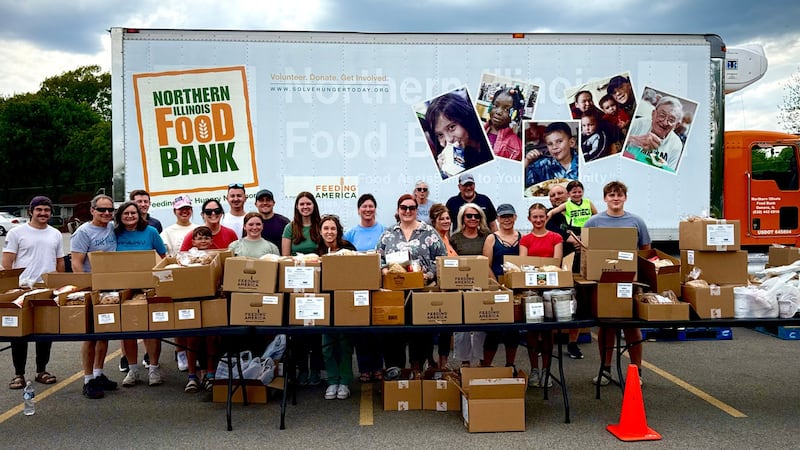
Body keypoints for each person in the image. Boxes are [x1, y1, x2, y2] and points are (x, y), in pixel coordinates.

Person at [584, 180, 651, 386]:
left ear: (625, 198)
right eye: (611, 195)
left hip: (629, 282)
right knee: (607, 327)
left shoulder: (636, 221)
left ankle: (636, 371)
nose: (615, 198)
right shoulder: (593, 222)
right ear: (605, 198)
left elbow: (646, 250)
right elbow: (586, 253)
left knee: (631, 327)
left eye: (619, 195)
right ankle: (605, 370)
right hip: (603, 283)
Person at [377, 194, 446, 370]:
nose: (407, 211)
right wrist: (384, 270)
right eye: (403, 207)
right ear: (398, 210)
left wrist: (429, 274)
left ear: (416, 210)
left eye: (411, 208)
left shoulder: (429, 232)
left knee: (420, 336)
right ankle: (395, 371)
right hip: (395, 294)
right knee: (393, 336)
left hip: (420, 292)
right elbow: (379, 259)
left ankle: (417, 371)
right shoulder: (388, 234)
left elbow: (442, 259)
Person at [4, 196, 64, 391]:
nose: (43, 214)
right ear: (31, 211)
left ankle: (41, 370)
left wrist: (58, 284)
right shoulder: (16, 233)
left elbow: (59, 262)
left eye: (47, 210)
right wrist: (11, 287)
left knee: (45, 332)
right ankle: (18, 374)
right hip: (22, 289)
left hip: (45, 289)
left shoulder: (55, 234)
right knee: (19, 333)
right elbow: (7, 261)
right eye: (39, 210)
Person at [70, 194, 119, 399]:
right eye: (102, 210)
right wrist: (85, 288)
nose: (106, 213)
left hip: (110, 288)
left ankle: (99, 373)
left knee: (104, 332)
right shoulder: (83, 232)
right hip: (92, 289)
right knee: (90, 335)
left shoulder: (111, 227)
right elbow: (76, 263)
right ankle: (88, 379)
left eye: (110, 210)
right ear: (92, 211)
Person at [115, 201, 167, 388]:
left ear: (140, 215)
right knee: (128, 330)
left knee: (152, 328)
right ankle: (133, 370)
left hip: (148, 286)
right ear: (120, 216)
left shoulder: (151, 232)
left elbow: (163, 256)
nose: (130, 216)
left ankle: (153, 368)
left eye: (133, 213)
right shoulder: (115, 234)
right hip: (123, 287)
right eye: (126, 213)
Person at [343, 194, 386, 382]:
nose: (368, 210)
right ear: (358, 209)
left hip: (379, 286)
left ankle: (378, 368)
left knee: (378, 328)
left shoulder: (385, 231)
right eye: (364, 206)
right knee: (361, 330)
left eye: (371, 206)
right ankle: (364, 369)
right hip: (357, 287)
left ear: (375, 209)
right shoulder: (351, 233)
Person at [519, 203, 563, 388]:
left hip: (550, 290)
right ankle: (534, 369)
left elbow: (556, 263)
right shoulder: (525, 240)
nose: (538, 220)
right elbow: (523, 264)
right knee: (532, 331)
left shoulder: (556, 237)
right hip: (532, 291)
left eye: (541, 216)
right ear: (529, 218)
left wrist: (540, 271)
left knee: (547, 332)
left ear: (546, 217)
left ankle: (546, 369)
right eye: (534, 217)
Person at [545, 182, 591, 359]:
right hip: (559, 263)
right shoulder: (551, 216)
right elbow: (554, 232)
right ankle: (548, 342)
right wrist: (572, 239)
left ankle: (573, 343)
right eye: (552, 195)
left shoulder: (583, 210)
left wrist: (584, 243)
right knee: (552, 302)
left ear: (568, 195)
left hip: (581, 262)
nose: (556, 197)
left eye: (559, 194)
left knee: (577, 302)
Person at [282, 192, 323, 386]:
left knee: (316, 330)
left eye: (308, 203)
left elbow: (325, 254)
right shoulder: (290, 228)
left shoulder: (320, 225)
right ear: (297, 207)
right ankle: (302, 370)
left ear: (313, 205)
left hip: (318, 284)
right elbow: (285, 257)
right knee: (298, 331)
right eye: (301, 204)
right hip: (296, 283)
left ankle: (315, 370)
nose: (305, 207)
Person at [317, 215, 357, 400]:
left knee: (344, 343)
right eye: (326, 228)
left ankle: (345, 382)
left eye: (332, 228)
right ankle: (332, 381)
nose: (329, 232)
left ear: (338, 230)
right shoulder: (315, 251)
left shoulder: (348, 249)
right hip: (323, 303)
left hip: (344, 303)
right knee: (327, 346)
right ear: (320, 231)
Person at [481, 203, 521, 368]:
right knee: (493, 331)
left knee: (513, 331)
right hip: (497, 289)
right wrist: (498, 285)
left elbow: (525, 263)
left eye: (509, 216)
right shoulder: (492, 238)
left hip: (517, 289)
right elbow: (486, 265)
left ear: (515, 217)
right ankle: (486, 367)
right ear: (498, 219)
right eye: (503, 217)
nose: (507, 220)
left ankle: (510, 365)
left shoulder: (522, 237)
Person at [450, 203, 491, 367]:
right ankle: (465, 363)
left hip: (482, 285)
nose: (473, 219)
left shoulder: (487, 236)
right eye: (469, 216)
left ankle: (482, 362)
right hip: (461, 286)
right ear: (462, 218)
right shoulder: (455, 238)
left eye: (477, 216)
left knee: (482, 325)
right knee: (462, 327)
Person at [425, 91, 493, 176]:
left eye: (452, 127)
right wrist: (449, 173)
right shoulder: (459, 156)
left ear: (465, 120)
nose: (449, 140)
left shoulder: (488, 137)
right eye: (440, 135)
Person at [183, 226, 218, 393]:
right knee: (192, 340)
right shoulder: (185, 258)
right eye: (199, 238)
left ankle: (210, 375)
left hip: (211, 302)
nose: (203, 241)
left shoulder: (217, 256)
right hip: (191, 303)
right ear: (193, 241)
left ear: (211, 240)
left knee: (211, 339)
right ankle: (192, 376)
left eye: (206, 238)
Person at [623, 96, 685, 172]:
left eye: (671, 120)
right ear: (653, 114)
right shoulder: (637, 124)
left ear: (676, 125)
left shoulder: (676, 144)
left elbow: (669, 171)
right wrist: (632, 139)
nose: (665, 123)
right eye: (662, 116)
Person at [429, 203, 456, 368]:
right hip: (436, 289)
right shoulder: (433, 238)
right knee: (431, 329)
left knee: (447, 328)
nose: (446, 221)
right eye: (442, 219)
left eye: (447, 218)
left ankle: (442, 363)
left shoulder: (447, 237)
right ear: (434, 221)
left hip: (449, 289)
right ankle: (430, 362)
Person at [525, 122, 579, 189]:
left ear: (571, 142)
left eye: (559, 141)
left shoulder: (582, 164)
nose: (554, 147)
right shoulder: (540, 166)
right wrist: (526, 162)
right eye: (550, 144)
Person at [484, 87, 524, 161]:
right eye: (496, 105)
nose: (498, 112)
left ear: (515, 114)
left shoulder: (517, 147)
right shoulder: (476, 130)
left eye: (507, 109)